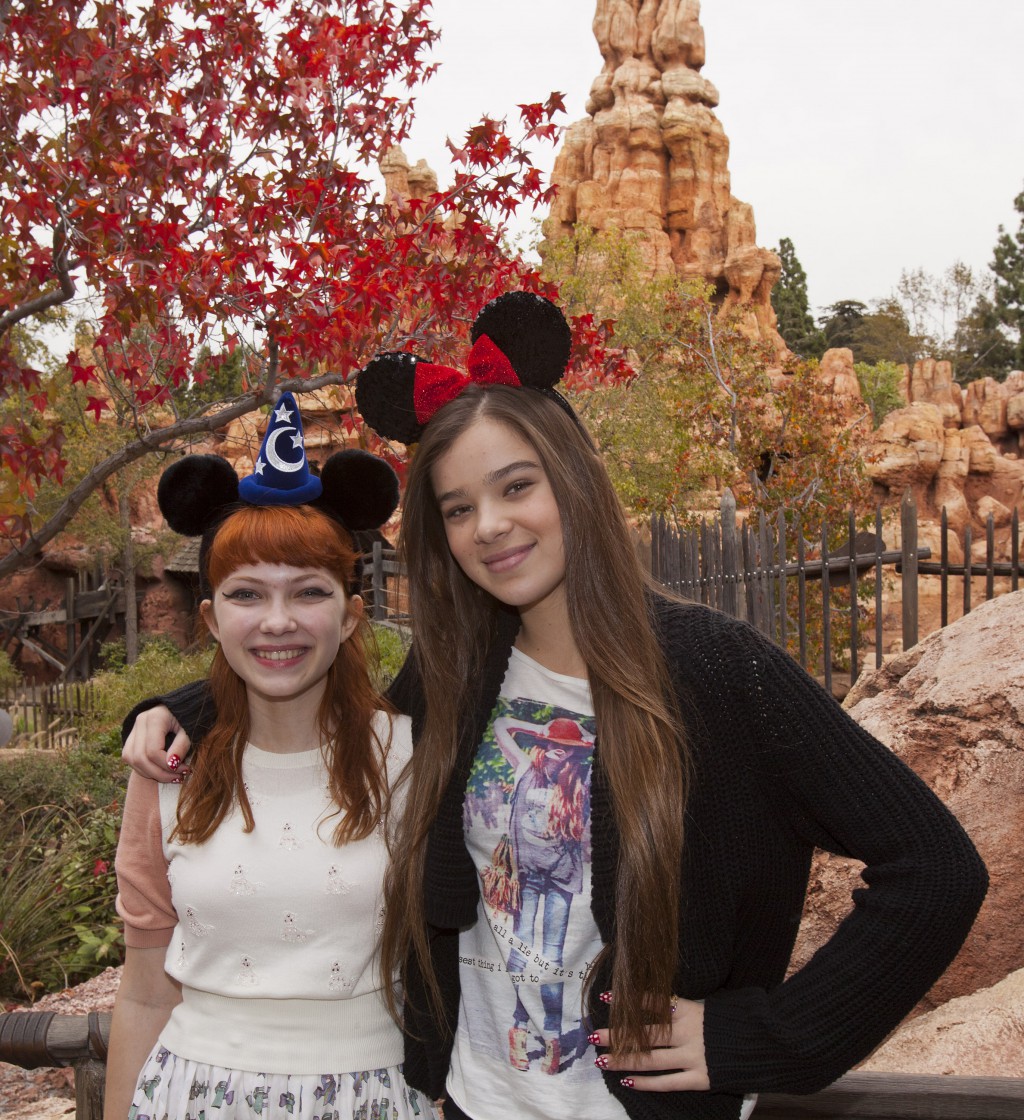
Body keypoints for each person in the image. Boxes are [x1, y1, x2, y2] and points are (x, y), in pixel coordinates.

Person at [121, 295, 988, 1120]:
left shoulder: (718, 672)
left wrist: (769, 1038)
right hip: (472, 1098)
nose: (489, 525)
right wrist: (191, 707)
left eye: (515, 487)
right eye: (458, 509)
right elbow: (330, 706)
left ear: (572, 481)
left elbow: (935, 870)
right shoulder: (457, 675)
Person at [105, 394, 439, 1120]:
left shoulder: (413, 757)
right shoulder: (167, 772)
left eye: (309, 592)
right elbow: (143, 991)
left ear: (352, 614)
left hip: (373, 1092)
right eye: (247, 594)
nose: (278, 621)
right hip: (194, 1096)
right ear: (212, 619)